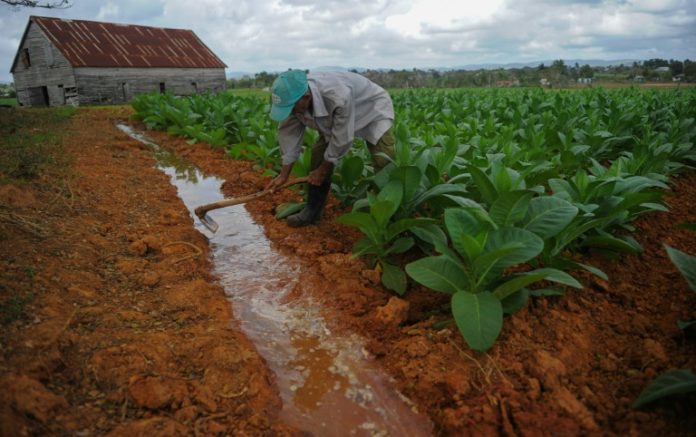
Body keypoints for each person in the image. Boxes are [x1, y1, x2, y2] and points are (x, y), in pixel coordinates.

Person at [265, 69, 395, 227]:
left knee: (383, 160)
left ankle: (389, 218)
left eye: (291, 107)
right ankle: (312, 211)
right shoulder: (294, 102)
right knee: (319, 154)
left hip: (372, 109)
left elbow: (342, 138)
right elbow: (289, 137)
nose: (290, 111)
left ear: (306, 97)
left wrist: (322, 170)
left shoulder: (337, 95)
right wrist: (283, 175)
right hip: (334, 118)